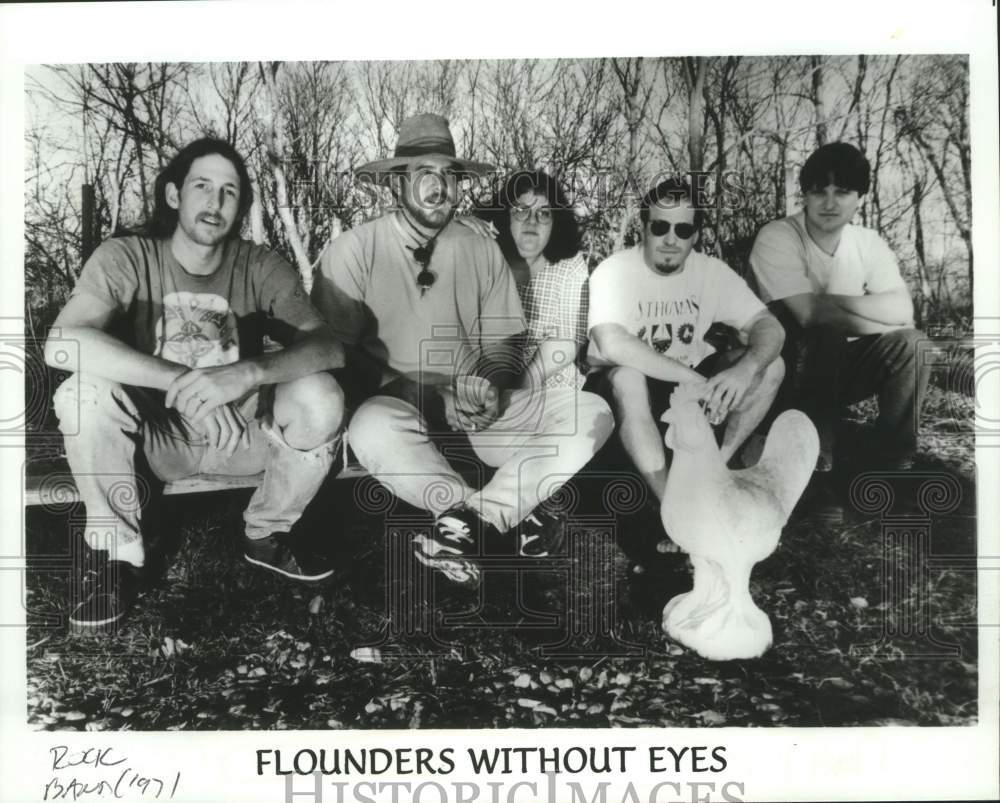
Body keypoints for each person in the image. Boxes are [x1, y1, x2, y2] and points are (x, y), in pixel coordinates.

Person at [46, 138, 346, 633]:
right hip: (158, 440)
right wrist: (182, 380)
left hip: (239, 436)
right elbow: (62, 343)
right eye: (202, 186)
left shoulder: (260, 264)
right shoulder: (127, 255)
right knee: (82, 393)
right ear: (173, 195)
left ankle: (266, 533)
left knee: (321, 393)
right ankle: (119, 558)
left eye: (230, 191)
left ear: (241, 207)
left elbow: (328, 347)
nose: (215, 202)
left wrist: (247, 373)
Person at [314, 114, 613, 587]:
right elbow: (336, 358)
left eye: (450, 174)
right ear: (397, 182)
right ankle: (483, 515)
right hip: (398, 407)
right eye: (424, 173)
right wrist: (430, 394)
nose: (440, 186)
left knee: (591, 410)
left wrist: (489, 387)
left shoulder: (479, 247)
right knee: (370, 427)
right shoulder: (353, 250)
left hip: (476, 412)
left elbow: (504, 341)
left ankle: (473, 521)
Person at [586, 177, 786, 513]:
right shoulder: (615, 270)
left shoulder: (710, 272)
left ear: (694, 235)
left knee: (771, 366)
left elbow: (770, 327)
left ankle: (716, 473)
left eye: (682, 230)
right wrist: (695, 381)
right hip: (628, 399)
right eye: (660, 227)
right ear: (643, 228)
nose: (670, 239)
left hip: (690, 393)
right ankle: (673, 507)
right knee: (626, 377)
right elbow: (611, 343)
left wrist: (746, 368)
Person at [749, 143, 928, 490]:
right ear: (805, 195)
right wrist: (879, 318)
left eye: (842, 192)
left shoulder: (867, 242)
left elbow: (903, 311)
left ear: (860, 197)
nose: (829, 203)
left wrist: (828, 300)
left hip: (836, 368)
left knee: (911, 343)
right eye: (819, 191)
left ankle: (893, 460)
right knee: (826, 330)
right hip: (778, 372)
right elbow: (807, 314)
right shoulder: (779, 235)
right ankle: (816, 458)